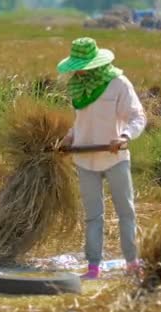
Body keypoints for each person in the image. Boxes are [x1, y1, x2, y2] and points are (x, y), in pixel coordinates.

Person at [57, 37, 146, 280]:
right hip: (85, 159)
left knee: (126, 211)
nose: (80, 72)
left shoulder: (118, 83)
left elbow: (138, 116)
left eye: (83, 67)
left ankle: (132, 263)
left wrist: (125, 136)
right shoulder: (77, 87)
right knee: (93, 215)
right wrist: (69, 138)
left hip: (115, 157)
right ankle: (93, 267)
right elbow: (80, 122)